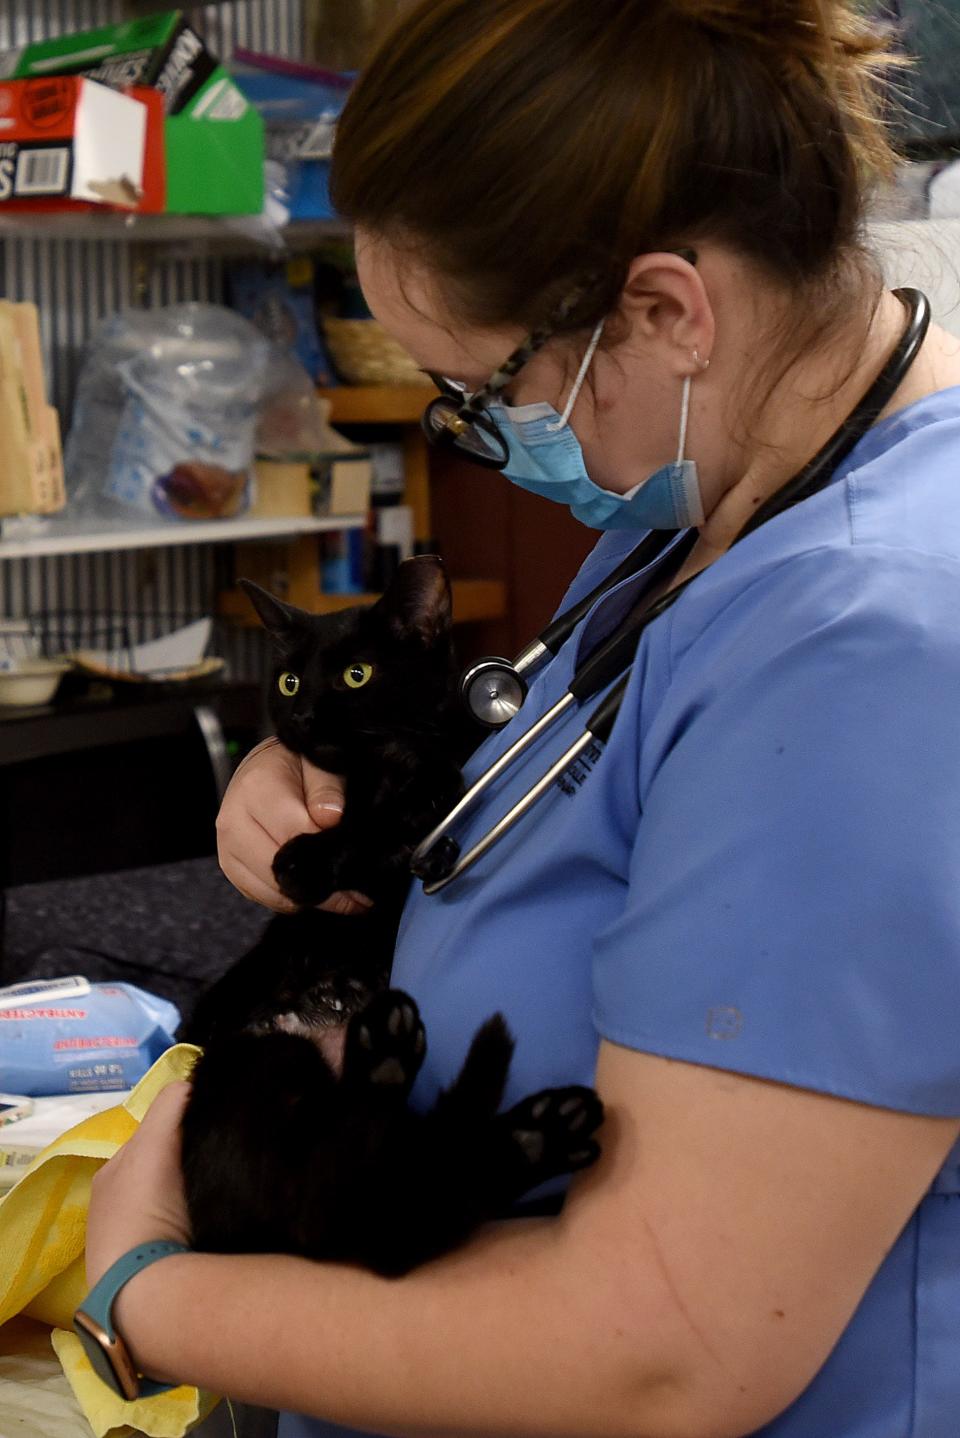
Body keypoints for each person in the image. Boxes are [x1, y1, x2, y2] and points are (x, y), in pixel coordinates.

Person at [85, 1, 960, 1434]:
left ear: (667, 313)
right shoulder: (707, 513)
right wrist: (311, 784)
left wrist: (142, 1289)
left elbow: (661, 1349)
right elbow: (566, 796)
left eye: (478, 392)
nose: (472, 434)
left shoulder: (870, 639)